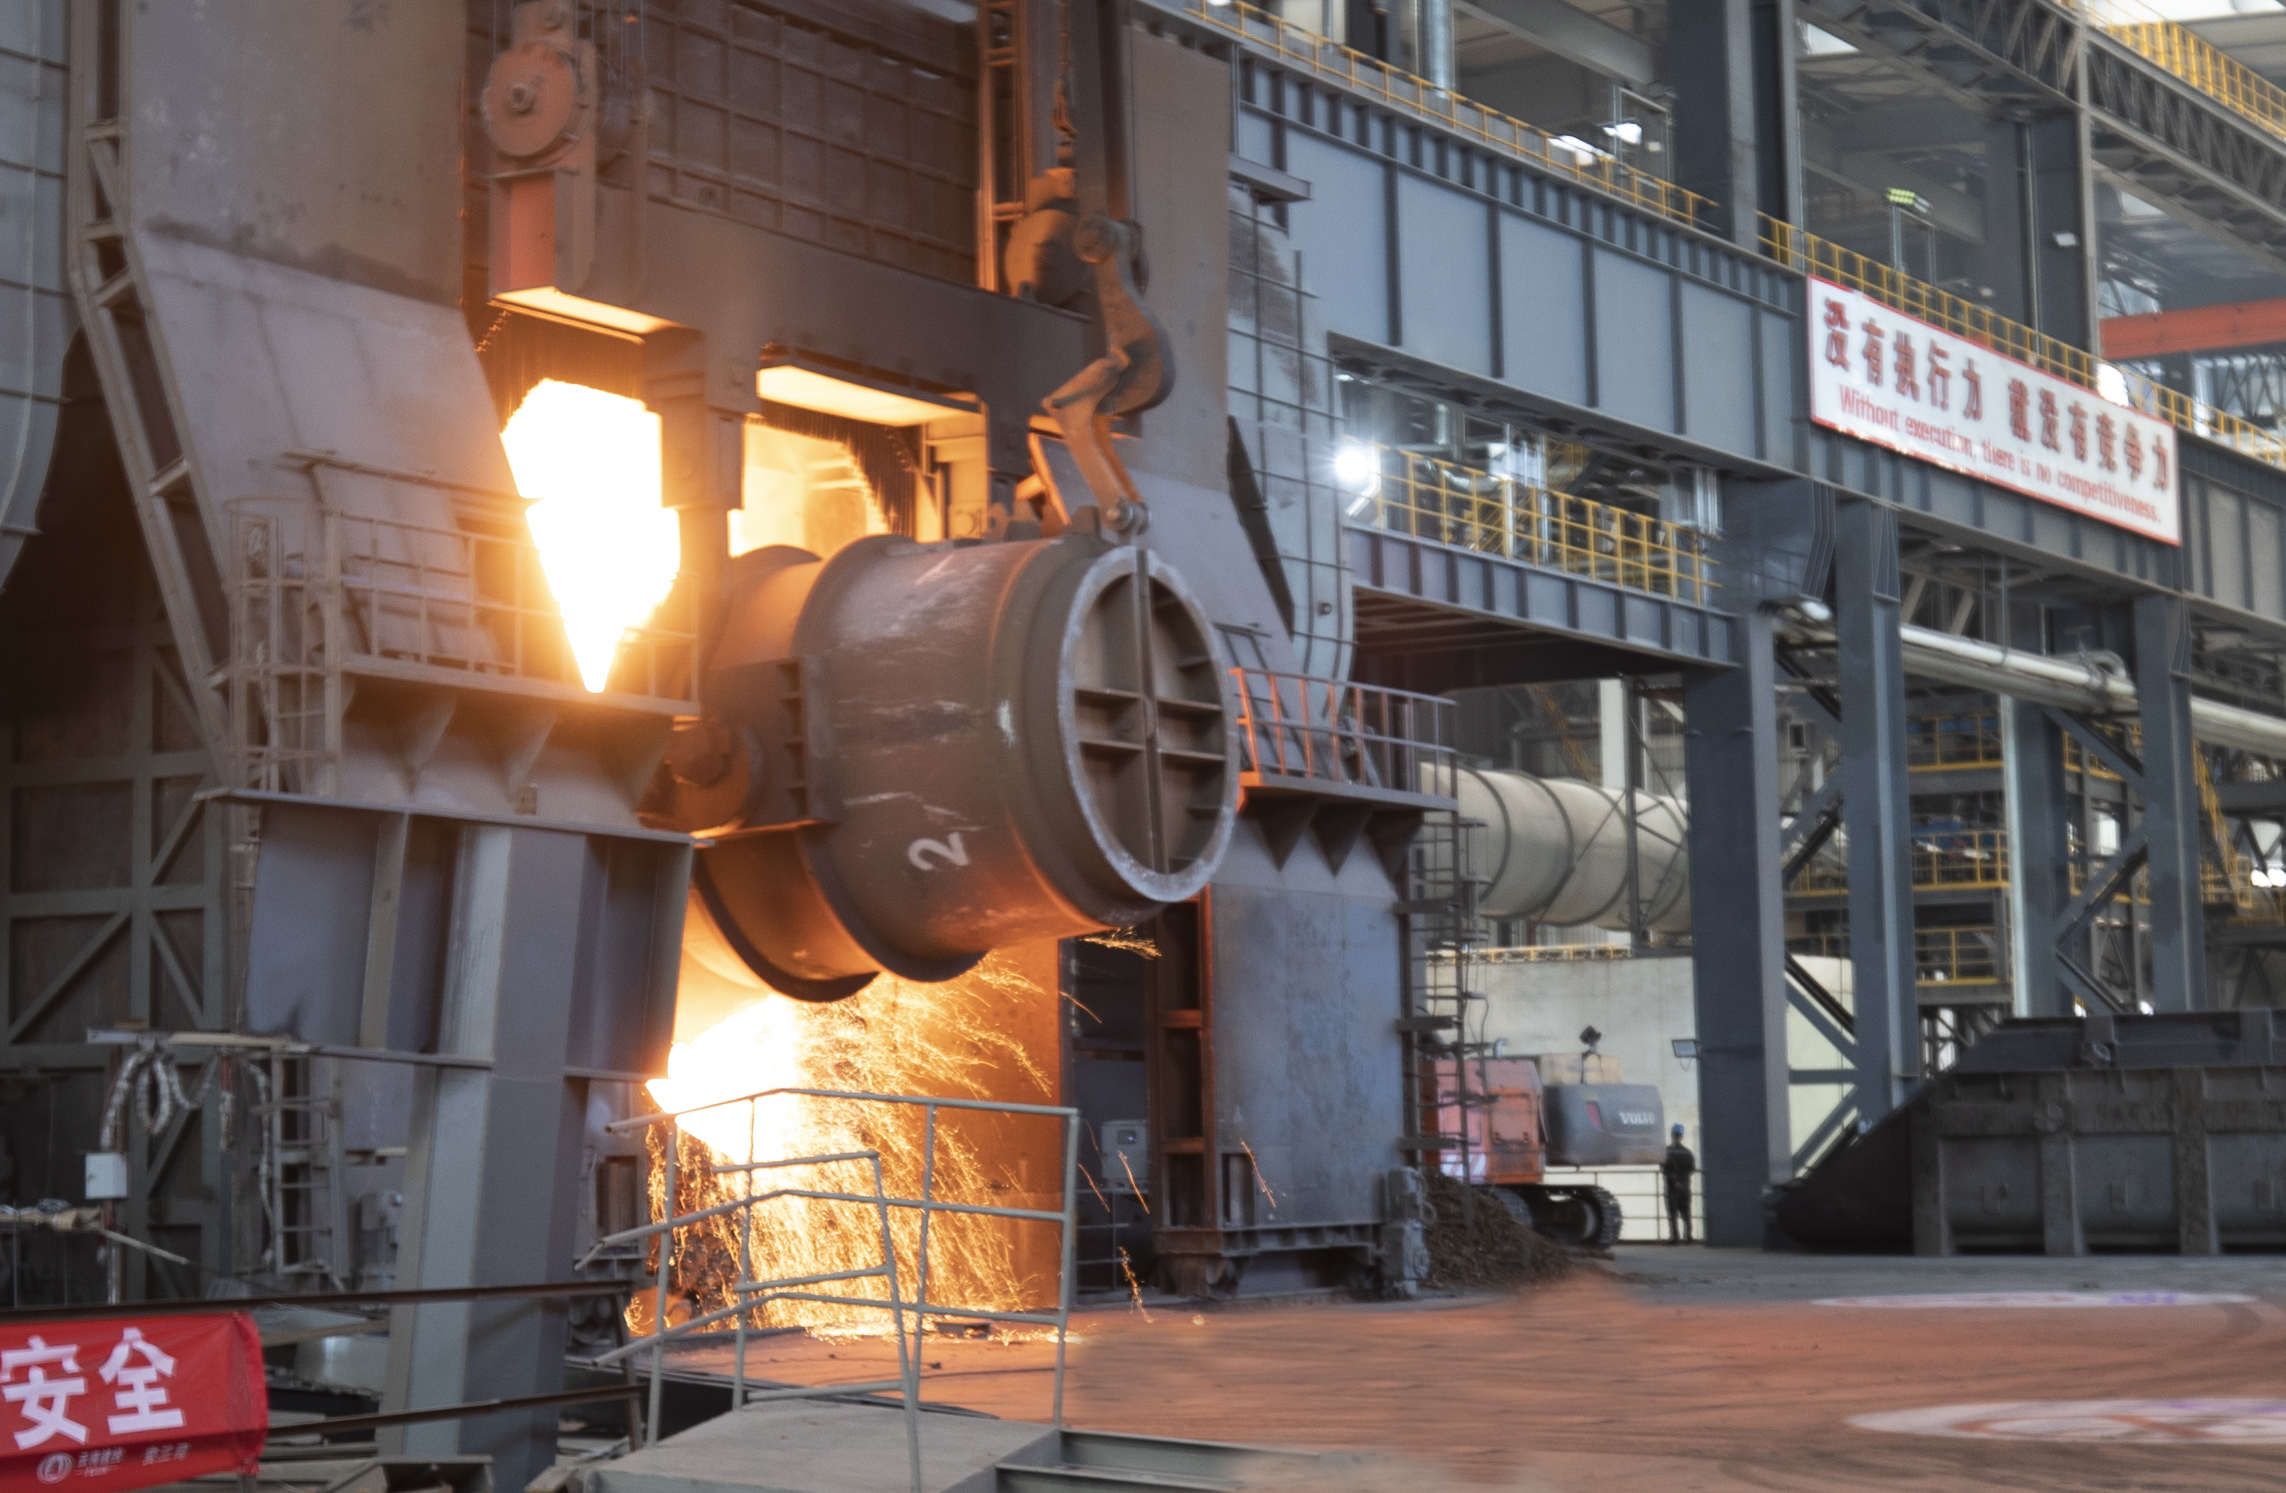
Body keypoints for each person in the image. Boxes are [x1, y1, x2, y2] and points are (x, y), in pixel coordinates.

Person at [1661, 1123, 1696, 1244]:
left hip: (1672, 1187)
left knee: (1673, 1213)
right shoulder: (1687, 1152)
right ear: (1682, 1136)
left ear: (1672, 1135)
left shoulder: (1667, 1151)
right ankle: (1689, 1237)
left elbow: (1664, 1169)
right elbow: (1691, 1169)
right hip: (1685, 1186)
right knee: (1686, 1212)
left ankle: (1675, 1237)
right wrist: (1682, 1180)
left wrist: (1674, 1180)